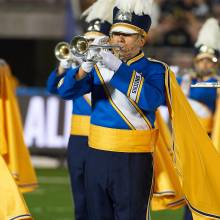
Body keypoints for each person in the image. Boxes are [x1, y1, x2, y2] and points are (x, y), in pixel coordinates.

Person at [57, 0, 170, 218]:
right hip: (96, 156)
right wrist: (84, 69)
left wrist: (117, 69)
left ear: (142, 39)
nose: (118, 39)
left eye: (126, 35)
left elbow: (151, 100)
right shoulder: (99, 65)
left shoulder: (155, 69)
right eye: (115, 33)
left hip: (132, 160)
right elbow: (64, 92)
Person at [47, 1, 114, 219]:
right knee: (80, 194)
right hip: (77, 139)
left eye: (94, 40)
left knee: (101, 196)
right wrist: (64, 65)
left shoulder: (109, 71)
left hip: (102, 137)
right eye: (86, 40)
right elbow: (54, 90)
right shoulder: (78, 69)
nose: (89, 44)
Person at [177, 18, 220, 220]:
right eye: (202, 59)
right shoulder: (186, 79)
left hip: (211, 142)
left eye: (209, 60)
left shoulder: (216, 84)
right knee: (190, 193)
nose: (205, 63)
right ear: (195, 60)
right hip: (189, 142)